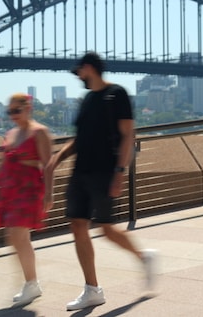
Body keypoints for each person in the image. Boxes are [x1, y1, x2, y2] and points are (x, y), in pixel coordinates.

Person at [46, 52, 157, 311]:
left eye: (80, 72)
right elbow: (79, 138)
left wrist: (120, 172)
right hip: (80, 171)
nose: (79, 77)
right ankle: (92, 289)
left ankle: (143, 257)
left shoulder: (117, 94)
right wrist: (57, 158)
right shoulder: (88, 99)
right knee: (77, 225)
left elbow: (129, 134)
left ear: (89, 68)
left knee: (106, 229)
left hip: (104, 172)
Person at [0, 93, 53, 306]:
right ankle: (31, 283)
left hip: (29, 188)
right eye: (10, 111)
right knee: (16, 237)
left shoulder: (40, 132)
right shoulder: (10, 134)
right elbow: (1, 163)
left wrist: (49, 193)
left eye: (17, 110)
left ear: (28, 108)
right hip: (10, 190)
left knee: (18, 235)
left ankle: (31, 283)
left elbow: (48, 164)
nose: (13, 115)